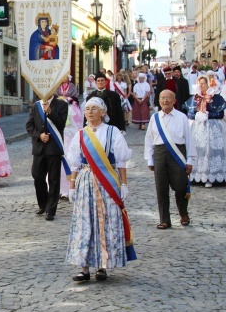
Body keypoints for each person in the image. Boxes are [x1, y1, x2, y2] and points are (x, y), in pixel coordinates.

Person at [66, 97, 133, 282]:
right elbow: (75, 163)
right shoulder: (81, 135)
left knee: (106, 221)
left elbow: (120, 161)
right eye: (87, 109)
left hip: (107, 182)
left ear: (103, 112)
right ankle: (84, 267)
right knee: (85, 222)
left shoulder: (113, 133)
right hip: (86, 181)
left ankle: (103, 265)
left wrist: (124, 184)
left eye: (94, 108)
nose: (90, 112)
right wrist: (72, 185)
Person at [145, 90, 196, 229]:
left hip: (178, 153)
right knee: (161, 188)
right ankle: (164, 219)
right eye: (162, 98)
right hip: (160, 153)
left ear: (174, 101)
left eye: (168, 98)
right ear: (159, 100)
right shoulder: (155, 118)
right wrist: (150, 159)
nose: (165, 100)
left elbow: (189, 139)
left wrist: (190, 160)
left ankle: (183, 212)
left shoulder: (182, 117)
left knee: (180, 186)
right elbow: (149, 140)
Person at [25, 94, 68, 220]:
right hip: (39, 147)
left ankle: (51, 210)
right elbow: (29, 126)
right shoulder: (36, 105)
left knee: (54, 180)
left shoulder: (61, 104)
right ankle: (43, 204)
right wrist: (39, 135)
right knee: (37, 176)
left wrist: (50, 112)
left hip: (54, 148)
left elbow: (61, 125)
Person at [184, 76, 226, 188]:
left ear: (208, 84)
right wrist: (197, 115)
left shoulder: (215, 97)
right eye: (200, 83)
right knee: (198, 150)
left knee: (210, 150)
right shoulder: (195, 97)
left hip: (212, 127)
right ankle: (196, 175)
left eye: (203, 83)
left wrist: (208, 115)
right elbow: (189, 113)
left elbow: (220, 113)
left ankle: (210, 176)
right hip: (198, 128)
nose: (201, 86)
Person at [55, 75, 83, 200]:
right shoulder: (57, 88)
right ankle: (58, 188)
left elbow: (75, 98)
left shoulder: (72, 87)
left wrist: (69, 100)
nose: (64, 79)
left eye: (66, 77)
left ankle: (70, 187)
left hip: (71, 115)